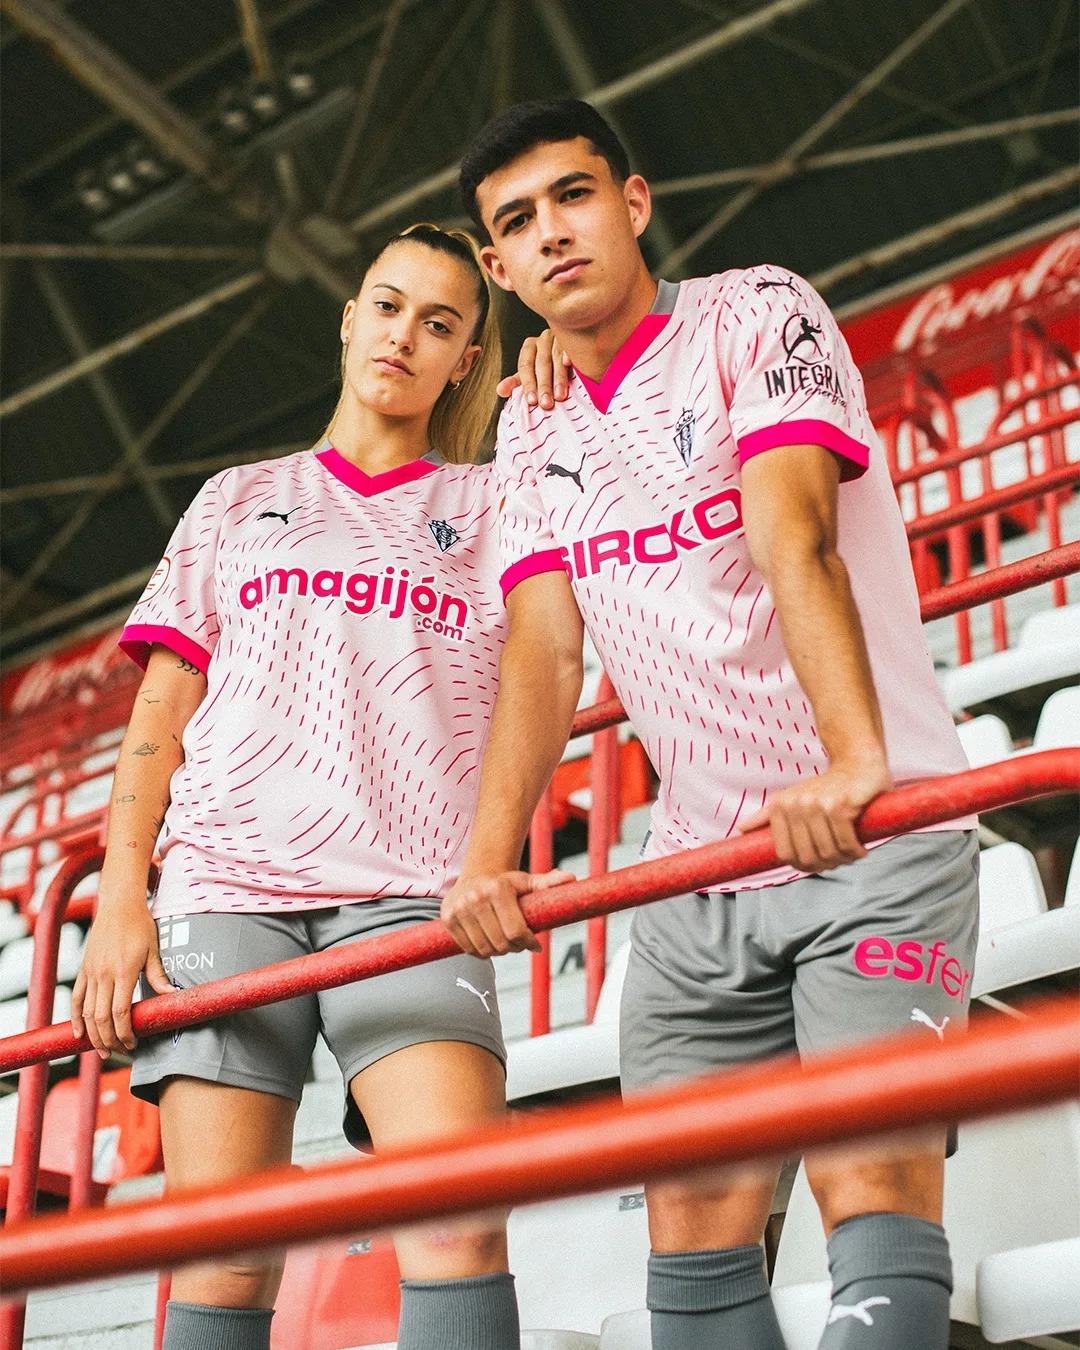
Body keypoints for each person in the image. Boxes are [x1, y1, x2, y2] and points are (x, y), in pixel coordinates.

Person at [442, 99, 979, 1350]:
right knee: (690, 1252)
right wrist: (487, 857)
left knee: (872, 1186)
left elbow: (793, 534)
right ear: (499, 270)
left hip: (879, 831)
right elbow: (544, 650)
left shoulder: (758, 310)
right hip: (697, 877)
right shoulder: (531, 418)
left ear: (633, 203)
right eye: (516, 221)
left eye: (575, 195)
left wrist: (855, 765)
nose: (551, 232)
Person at [71, 224, 540, 1350]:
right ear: (348, 317)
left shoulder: (497, 501)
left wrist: (559, 386)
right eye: (387, 305)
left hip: (413, 898)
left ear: (466, 361)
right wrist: (122, 898)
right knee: (224, 1260)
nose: (404, 335)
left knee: (459, 1232)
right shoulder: (236, 500)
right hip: (226, 894)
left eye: (439, 323)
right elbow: (160, 713)